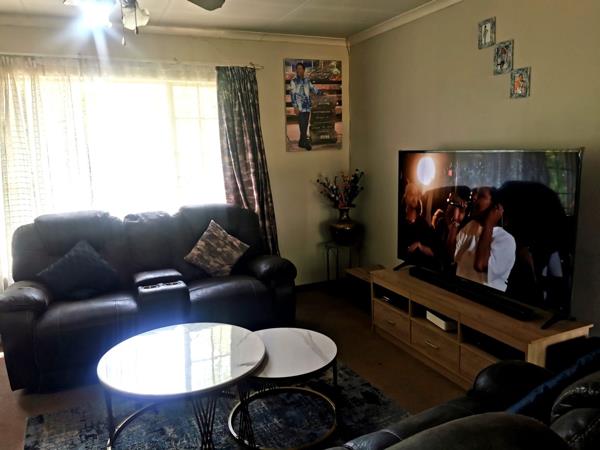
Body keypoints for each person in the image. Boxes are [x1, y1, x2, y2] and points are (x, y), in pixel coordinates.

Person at [454, 187, 516, 292]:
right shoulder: (470, 226)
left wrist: (489, 224)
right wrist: (455, 222)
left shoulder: (506, 240)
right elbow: (451, 255)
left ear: (496, 206)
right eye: (475, 194)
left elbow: (480, 265)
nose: (474, 197)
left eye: (481, 196)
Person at [398, 182, 437, 268]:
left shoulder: (423, 223)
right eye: (411, 194)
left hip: (420, 268)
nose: (414, 198)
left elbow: (433, 252)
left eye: (416, 195)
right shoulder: (400, 222)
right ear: (406, 197)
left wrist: (420, 246)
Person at [289, 62, 321, 150]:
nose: (298, 70)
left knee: (305, 124)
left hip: (307, 106)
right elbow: (292, 94)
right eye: (297, 69)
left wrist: (321, 93)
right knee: (302, 124)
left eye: (300, 68)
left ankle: (301, 142)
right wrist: (295, 107)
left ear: (303, 70)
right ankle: (305, 142)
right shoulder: (293, 81)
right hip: (299, 107)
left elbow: (313, 88)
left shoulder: (307, 80)